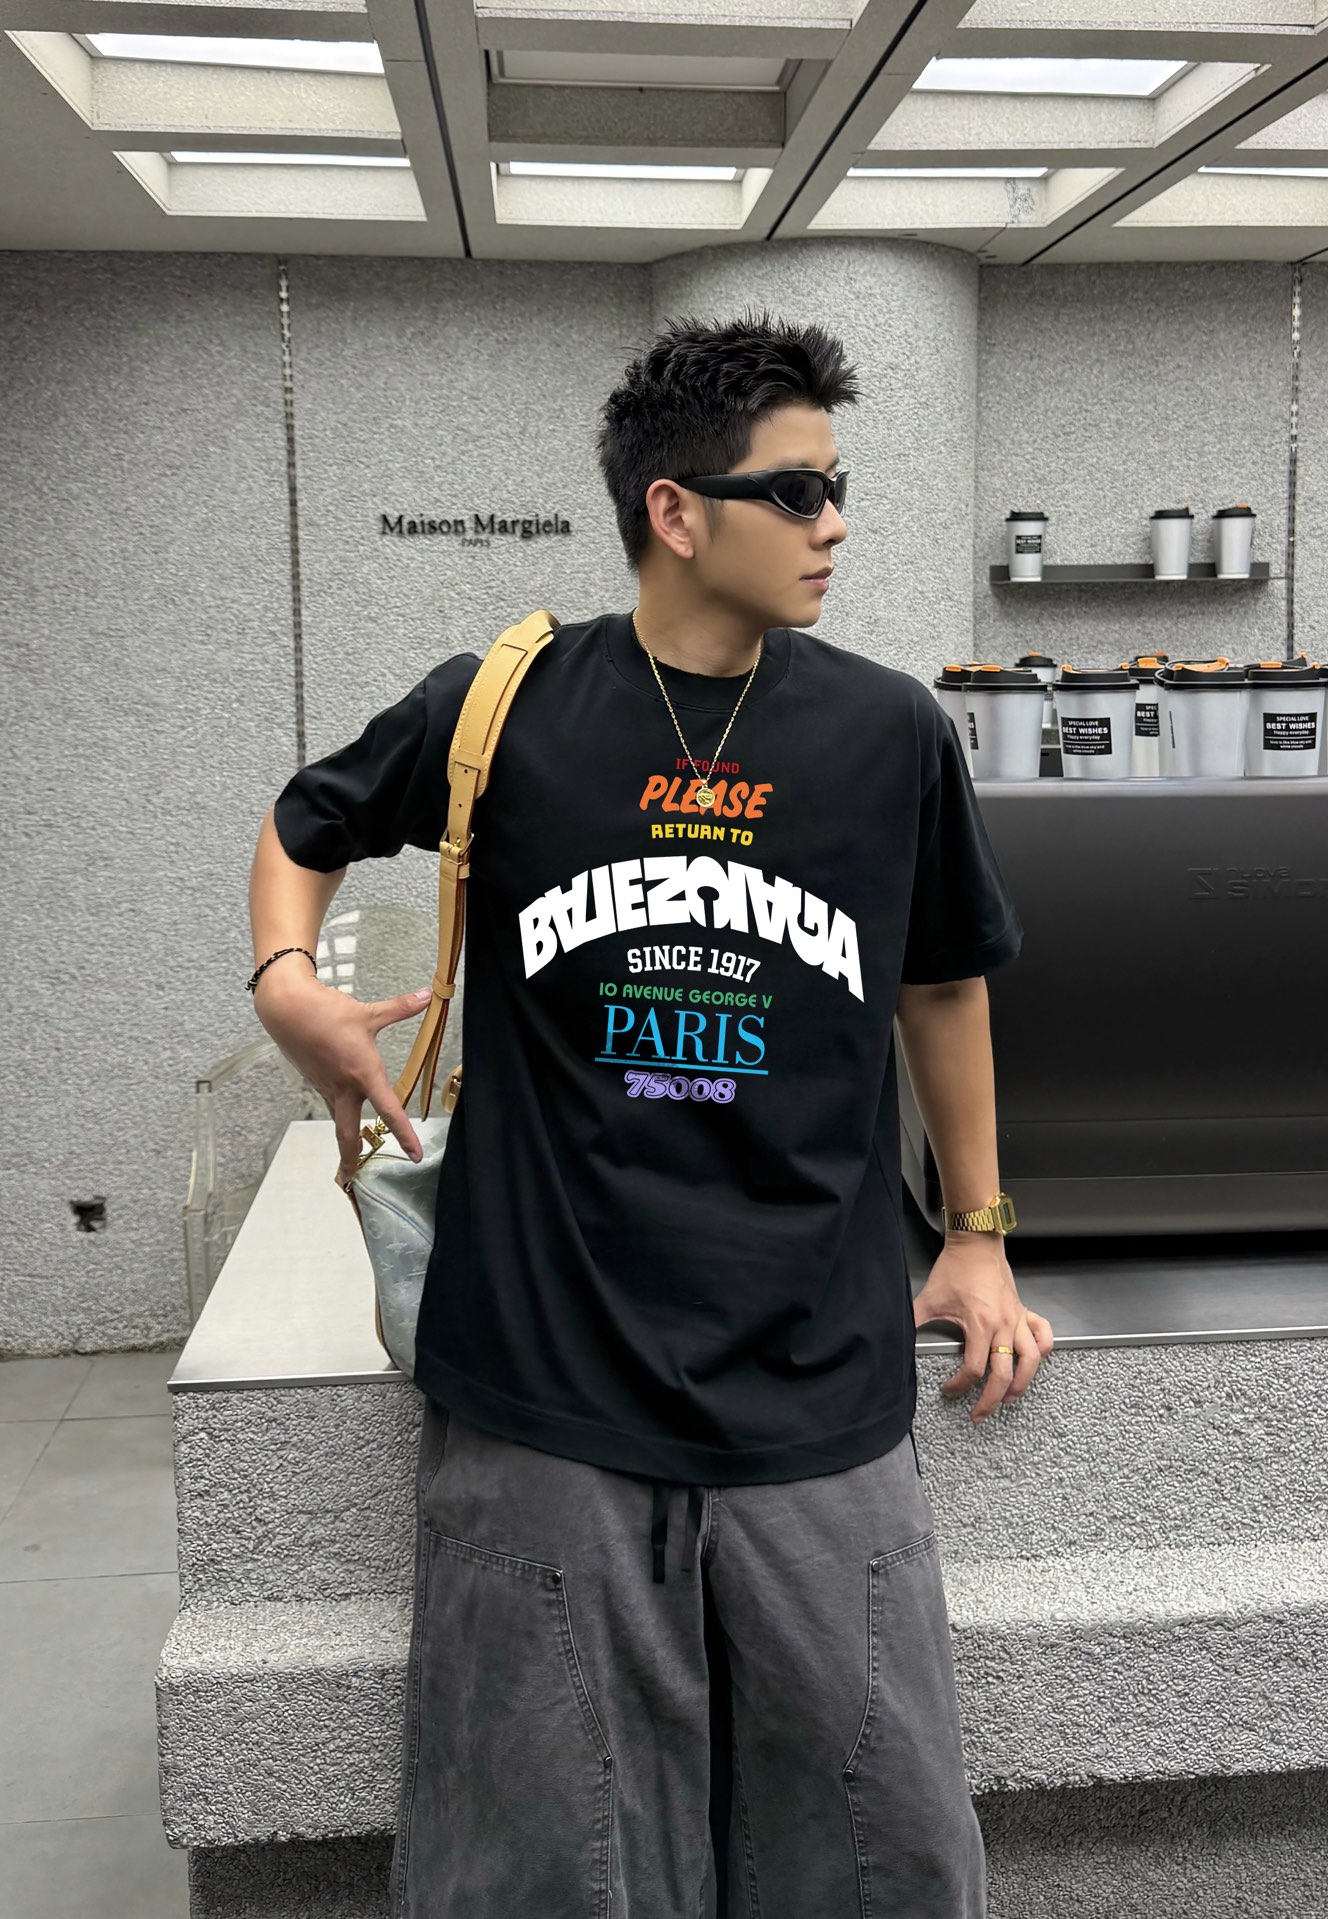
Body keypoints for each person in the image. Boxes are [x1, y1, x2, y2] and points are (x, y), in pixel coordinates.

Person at [247, 310, 1054, 1918]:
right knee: (550, 1864)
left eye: (840, 487)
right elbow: (304, 822)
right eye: (798, 491)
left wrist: (977, 1236)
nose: (835, 524)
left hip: (815, 1374)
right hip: (544, 1376)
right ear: (675, 511)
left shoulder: (889, 730)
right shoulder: (506, 706)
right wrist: (287, 982)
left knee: (882, 1852)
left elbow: (941, 984)